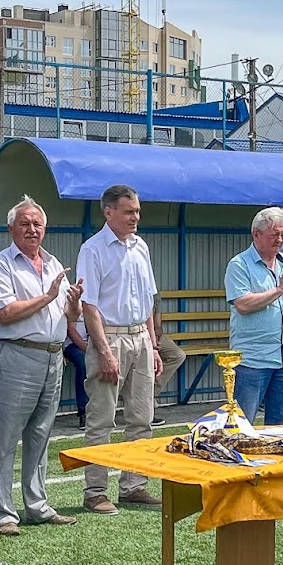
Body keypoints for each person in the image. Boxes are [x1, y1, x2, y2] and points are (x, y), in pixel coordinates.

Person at [0, 196, 83, 536]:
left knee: (40, 436)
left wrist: (73, 306)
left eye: (37, 224)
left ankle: (37, 506)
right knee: (5, 437)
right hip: (17, 354)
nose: (32, 229)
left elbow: (67, 316)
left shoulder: (54, 264)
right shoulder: (0, 265)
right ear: (11, 229)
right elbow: (4, 314)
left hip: (53, 355)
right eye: (24, 223)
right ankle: (1, 513)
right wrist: (48, 298)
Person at [77, 184, 164, 516]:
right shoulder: (93, 249)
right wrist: (104, 351)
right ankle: (95, 491)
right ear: (108, 211)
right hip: (109, 336)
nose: (135, 217)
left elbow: (149, 301)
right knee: (101, 419)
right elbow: (90, 306)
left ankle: (134, 485)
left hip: (140, 335)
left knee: (142, 418)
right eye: (129, 211)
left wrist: (153, 346)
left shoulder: (141, 246)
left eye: (138, 211)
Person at [225, 207, 283, 423]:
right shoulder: (239, 264)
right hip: (252, 359)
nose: (280, 239)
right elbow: (243, 305)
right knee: (242, 423)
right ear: (256, 234)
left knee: (282, 425)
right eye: (275, 234)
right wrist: (281, 289)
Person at [150, 299, 186, 426]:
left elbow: (158, 326)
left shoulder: (155, 294)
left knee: (178, 355)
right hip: (135, 333)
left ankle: (150, 392)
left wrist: (156, 339)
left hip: (153, 334)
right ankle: (145, 406)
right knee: (143, 359)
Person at [63, 314, 91, 430]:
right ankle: (83, 412)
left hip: (93, 343)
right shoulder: (72, 300)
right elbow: (70, 330)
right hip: (72, 345)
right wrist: (89, 349)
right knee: (83, 362)